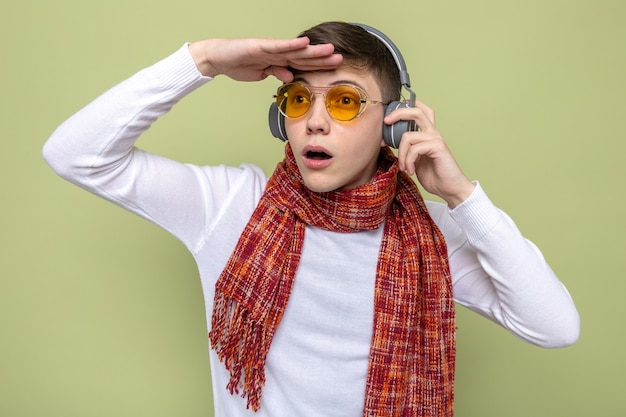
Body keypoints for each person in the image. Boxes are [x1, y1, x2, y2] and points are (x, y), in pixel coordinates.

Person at [43, 21, 579, 417]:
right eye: (299, 99)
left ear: (394, 125)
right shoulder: (232, 204)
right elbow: (74, 154)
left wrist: (463, 198)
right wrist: (201, 61)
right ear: (282, 116)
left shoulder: (430, 239)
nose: (315, 122)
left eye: (345, 102)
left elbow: (554, 327)